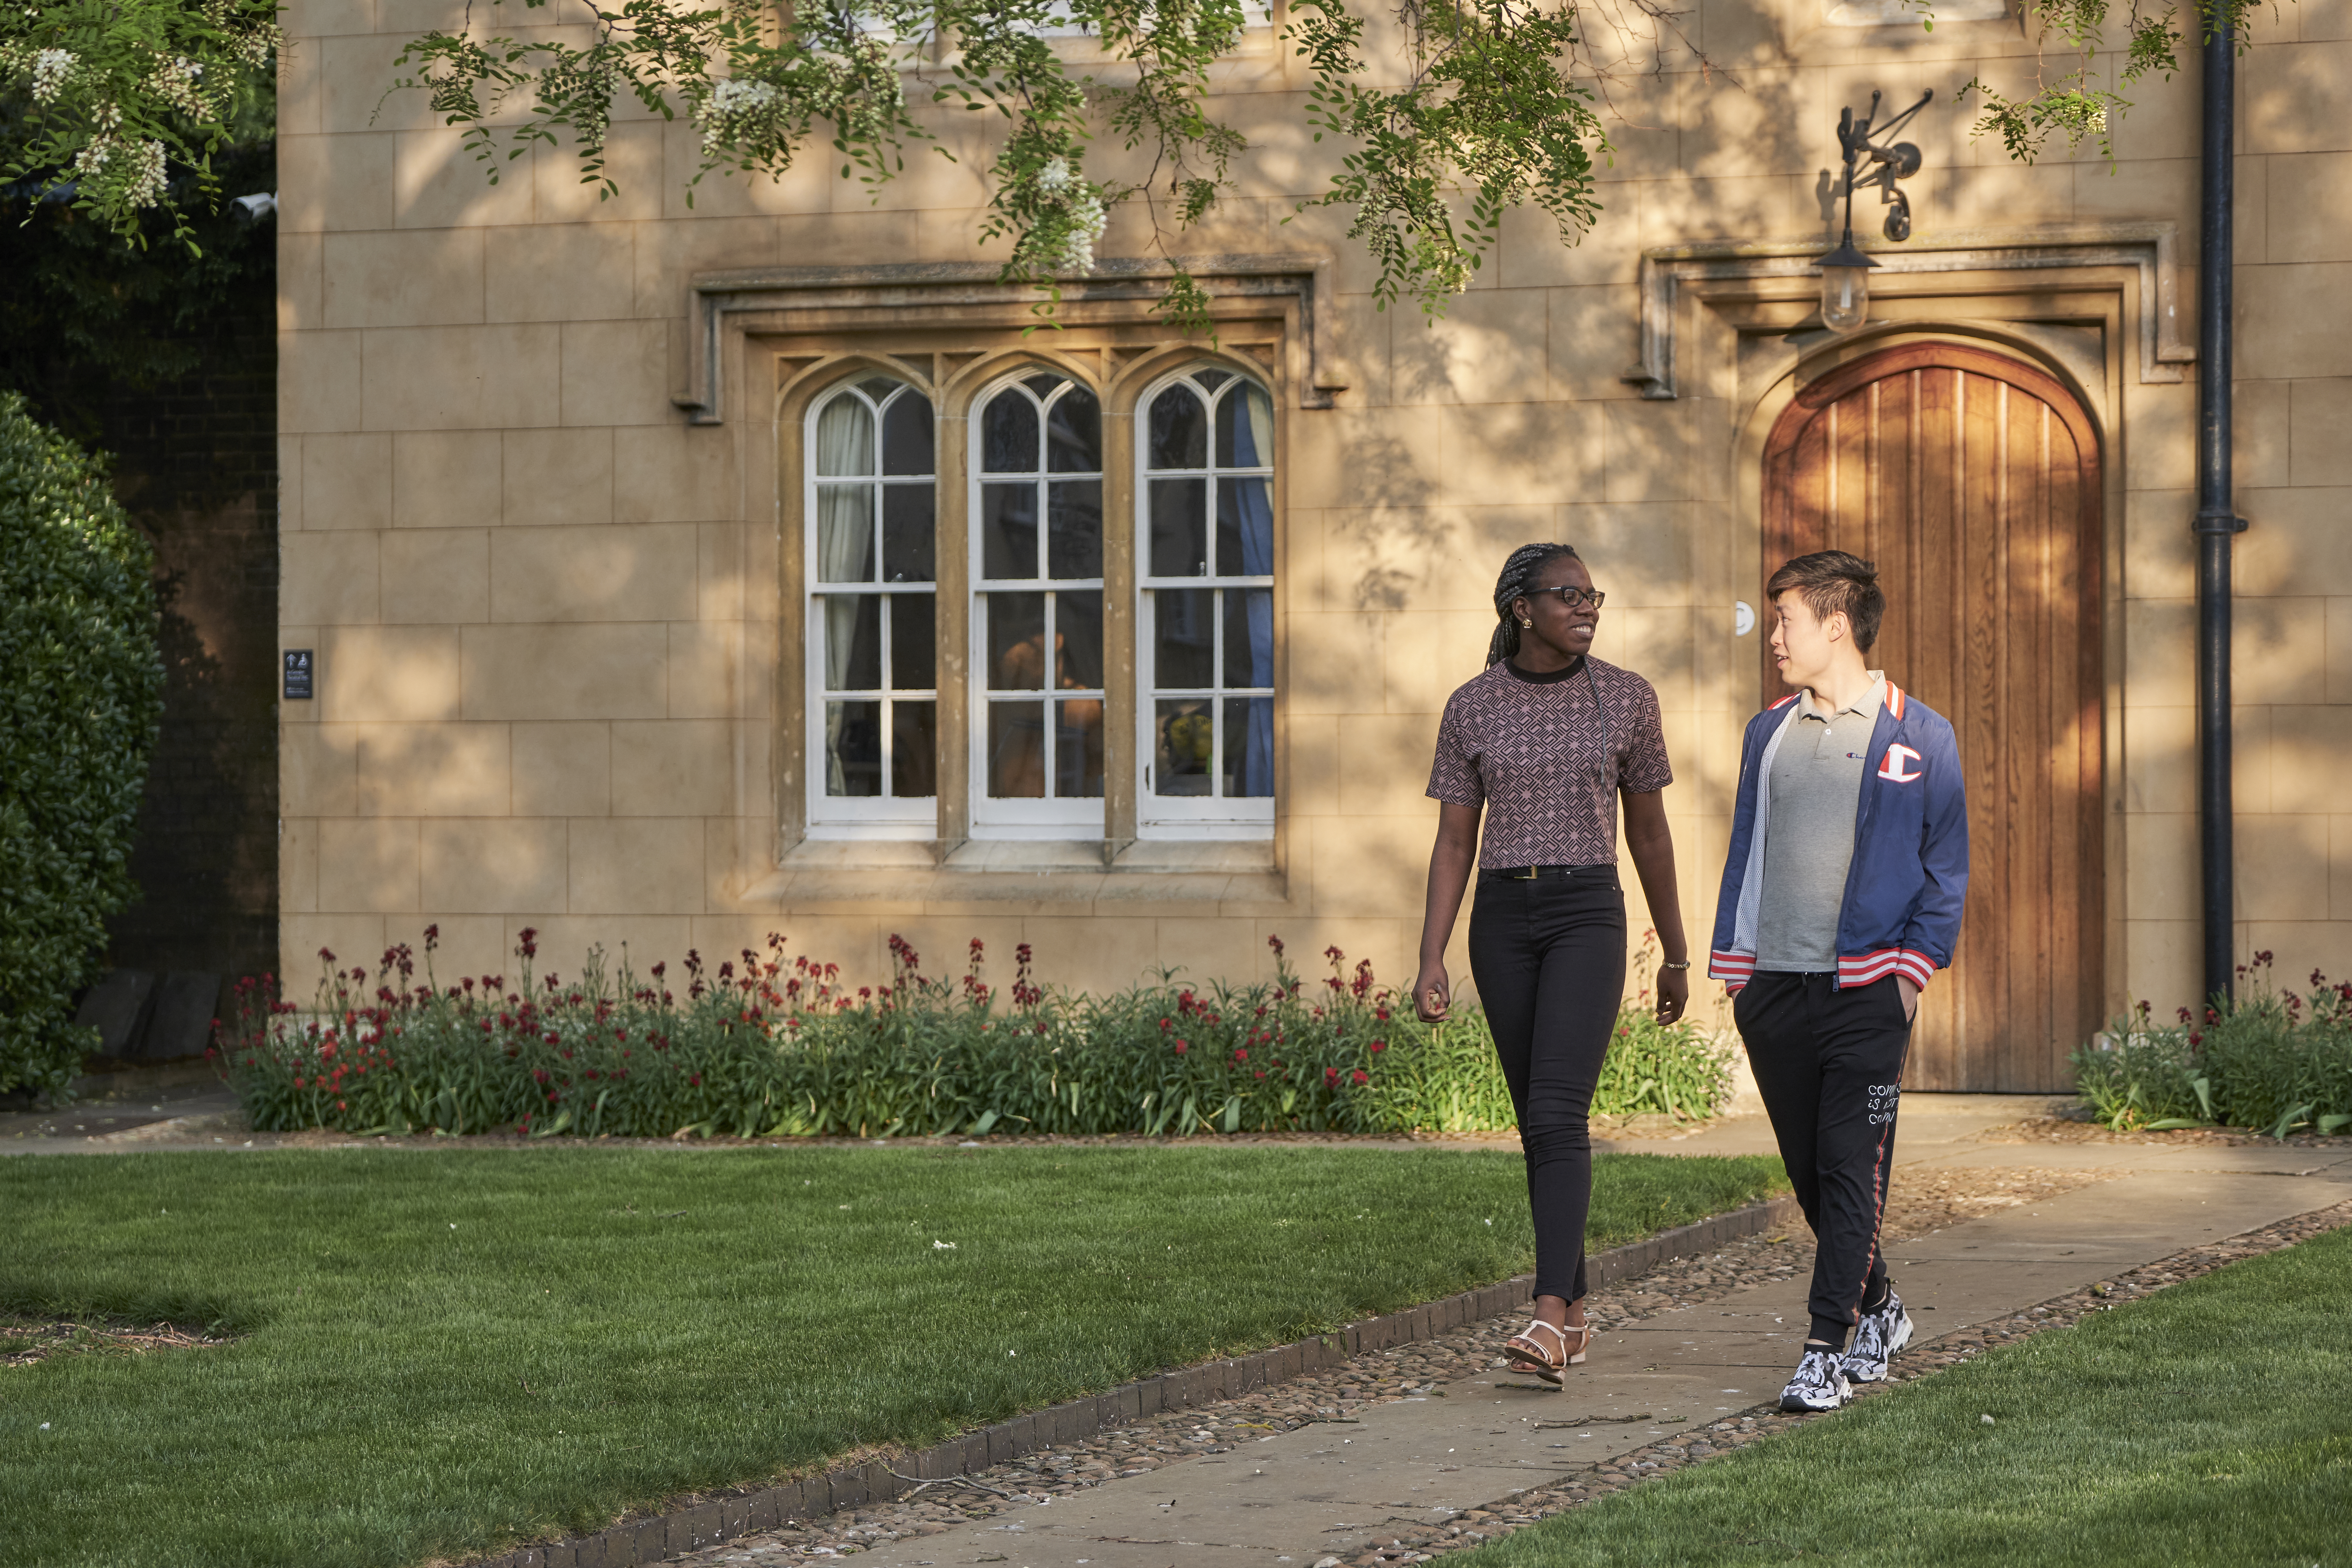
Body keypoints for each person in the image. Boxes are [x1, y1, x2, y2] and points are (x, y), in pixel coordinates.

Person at [1414, 542, 1691, 1382]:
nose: (1588, 607)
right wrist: (1430, 953)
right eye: (1568, 594)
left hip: (1586, 913)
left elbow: (1649, 832)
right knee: (1537, 1116)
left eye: (1593, 594)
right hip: (1501, 918)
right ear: (1520, 607)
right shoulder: (1472, 706)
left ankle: (1542, 1314)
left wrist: (1677, 951)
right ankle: (1573, 1313)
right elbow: (1455, 838)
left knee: (1560, 1109)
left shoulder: (1628, 699)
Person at [1708, 550, 1968, 1414]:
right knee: (1813, 1173)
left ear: (1836, 623)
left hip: (1869, 988)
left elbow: (1945, 866)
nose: (1772, 634)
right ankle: (1884, 1304)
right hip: (1775, 986)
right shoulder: (1767, 731)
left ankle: (1827, 1345)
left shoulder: (1921, 734)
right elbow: (1746, 848)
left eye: (1785, 619)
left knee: (1852, 1167)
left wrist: (1911, 970)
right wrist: (1739, 969)